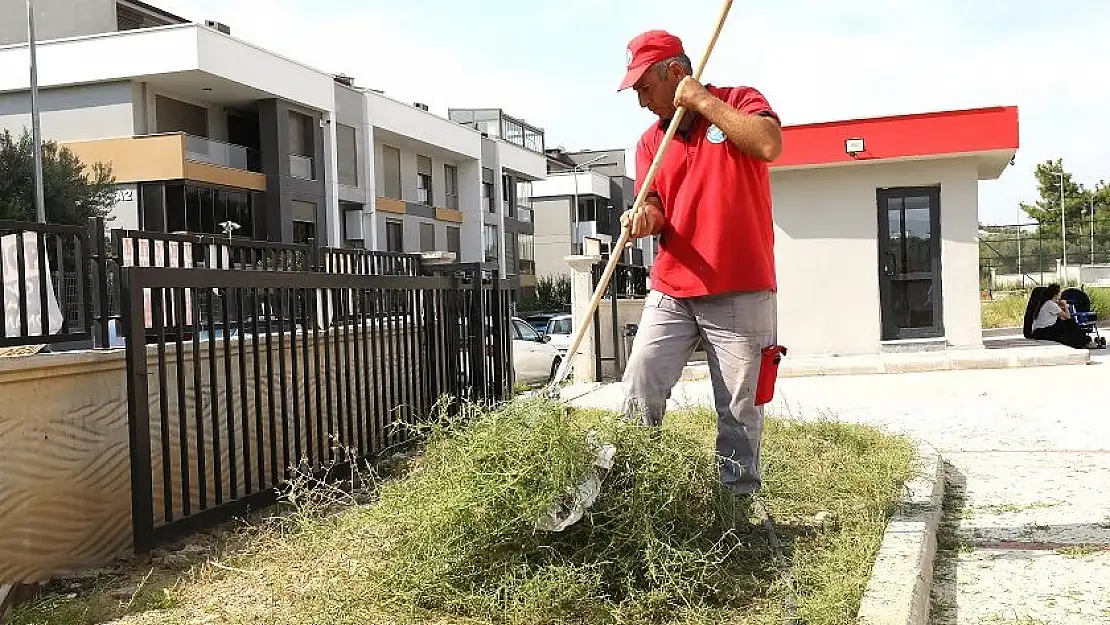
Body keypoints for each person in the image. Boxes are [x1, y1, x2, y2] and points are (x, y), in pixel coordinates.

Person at [616, 29, 783, 496]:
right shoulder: (650, 141)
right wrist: (642, 219)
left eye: (645, 88)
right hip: (672, 286)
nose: (641, 101)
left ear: (675, 72)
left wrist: (704, 102)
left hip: (739, 287)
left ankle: (737, 505)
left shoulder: (739, 100)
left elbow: (770, 144)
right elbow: (654, 204)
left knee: (737, 407)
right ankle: (629, 490)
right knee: (640, 381)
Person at [1025, 283, 1099, 349]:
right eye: (1059, 292)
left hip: (1039, 332)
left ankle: (1084, 342)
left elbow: (1061, 318)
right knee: (1070, 323)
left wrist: (1060, 306)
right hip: (1041, 332)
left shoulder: (1046, 302)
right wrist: (1065, 306)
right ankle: (1087, 342)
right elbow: (1068, 317)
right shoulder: (1051, 304)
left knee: (1065, 328)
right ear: (1055, 294)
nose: (1061, 294)